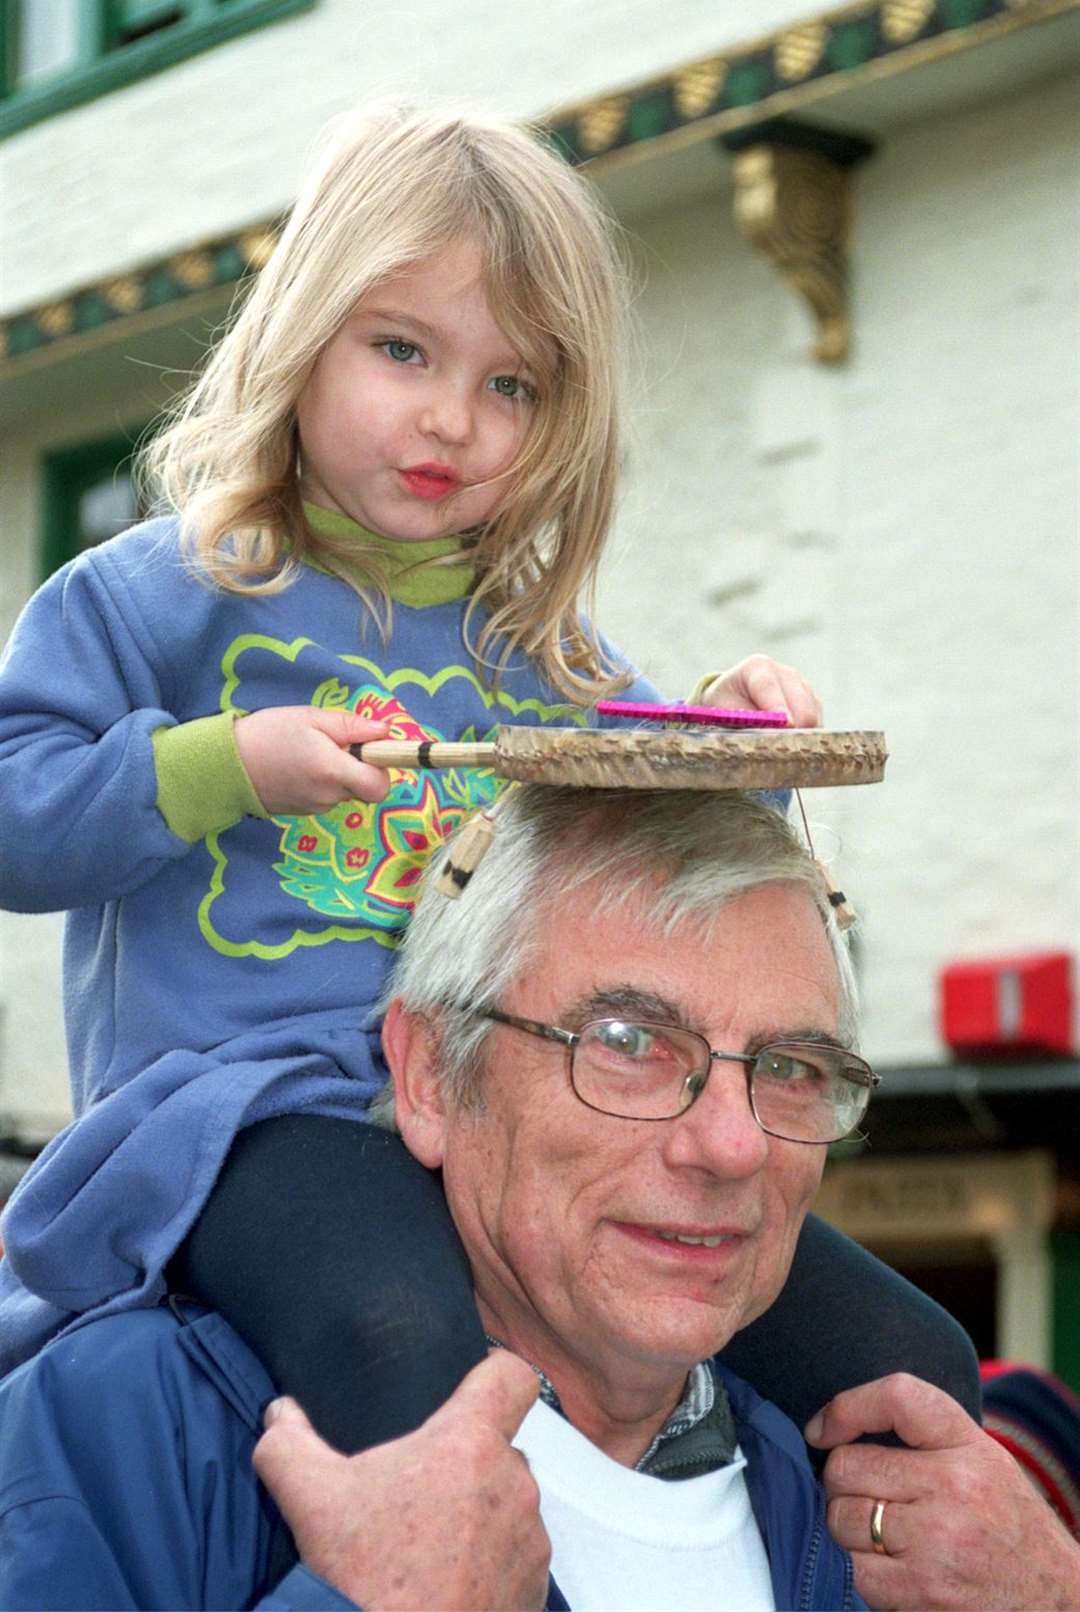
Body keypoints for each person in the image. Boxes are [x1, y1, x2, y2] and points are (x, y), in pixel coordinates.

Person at [0, 99, 933, 1469]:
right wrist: (224, 765)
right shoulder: (157, 596)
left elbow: (660, 863)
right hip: (243, 1123)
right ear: (302, 334)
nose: (453, 418)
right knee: (401, 1337)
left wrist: (741, 754)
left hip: (514, 1130)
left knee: (919, 1361)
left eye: (514, 386)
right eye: (401, 350)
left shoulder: (552, 656)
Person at [2, 787, 1075, 1612]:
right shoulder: (135, 1431)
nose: (734, 1143)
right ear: (429, 1076)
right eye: (628, 1045)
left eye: (792, 1067)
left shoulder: (890, 1526)